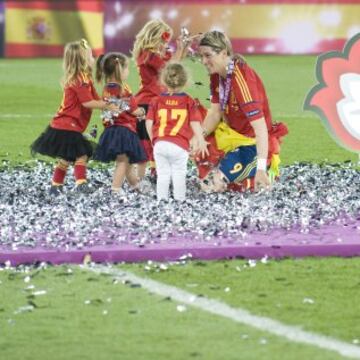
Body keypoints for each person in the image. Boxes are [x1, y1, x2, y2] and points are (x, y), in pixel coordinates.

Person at [197, 30, 288, 192]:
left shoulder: (242, 80)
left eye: (208, 55)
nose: (203, 61)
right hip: (232, 135)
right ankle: (239, 171)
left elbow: (260, 128)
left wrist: (260, 167)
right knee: (197, 143)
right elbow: (214, 113)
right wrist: (198, 137)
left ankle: (261, 168)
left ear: (223, 53)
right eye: (201, 56)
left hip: (251, 142)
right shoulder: (216, 75)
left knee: (216, 183)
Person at [31, 39, 119, 195]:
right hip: (67, 125)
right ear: (83, 60)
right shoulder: (80, 80)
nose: (94, 59)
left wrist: (109, 102)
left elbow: (96, 99)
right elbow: (87, 103)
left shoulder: (84, 78)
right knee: (81, 154)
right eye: (91, 57)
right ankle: (81, 183)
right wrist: (106, 106)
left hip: (64, 125)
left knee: (65, 158)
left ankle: (56, 186)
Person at [132, 19, 192, 181]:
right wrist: (179, 49)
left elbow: (175, 61)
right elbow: (170, 68)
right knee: (148, 141)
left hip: (158, 101)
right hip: (148, 101)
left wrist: (184, 46)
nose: (166, 43)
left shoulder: (155, 54)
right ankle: (143, 177)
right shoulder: (147, 53)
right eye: (164, 39)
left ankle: (155, 173)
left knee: (159, 138)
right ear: (156, 36)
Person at [146, 62, 209, 201]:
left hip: (160, 143)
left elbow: (149, 122)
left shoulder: (155, 100)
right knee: (179, 174)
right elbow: (195, 123)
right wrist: (201, 140)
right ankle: (179, 200)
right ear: (186, 82)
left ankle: (161, 200)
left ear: (163, 80)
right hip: (179, 144)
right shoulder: (188, 101)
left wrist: (153, 140)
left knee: (163, 174)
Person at [94, 52, 147, 195]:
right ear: (119, 70)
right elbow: (133, 109)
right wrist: (142, 112)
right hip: (123, 130)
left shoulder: (107, 87)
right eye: (127, 68)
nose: (128, 72)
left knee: (128, 162)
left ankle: (136, 186)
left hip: (112, 129)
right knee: (123, 162)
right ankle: (115, 189)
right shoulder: (123, 88)